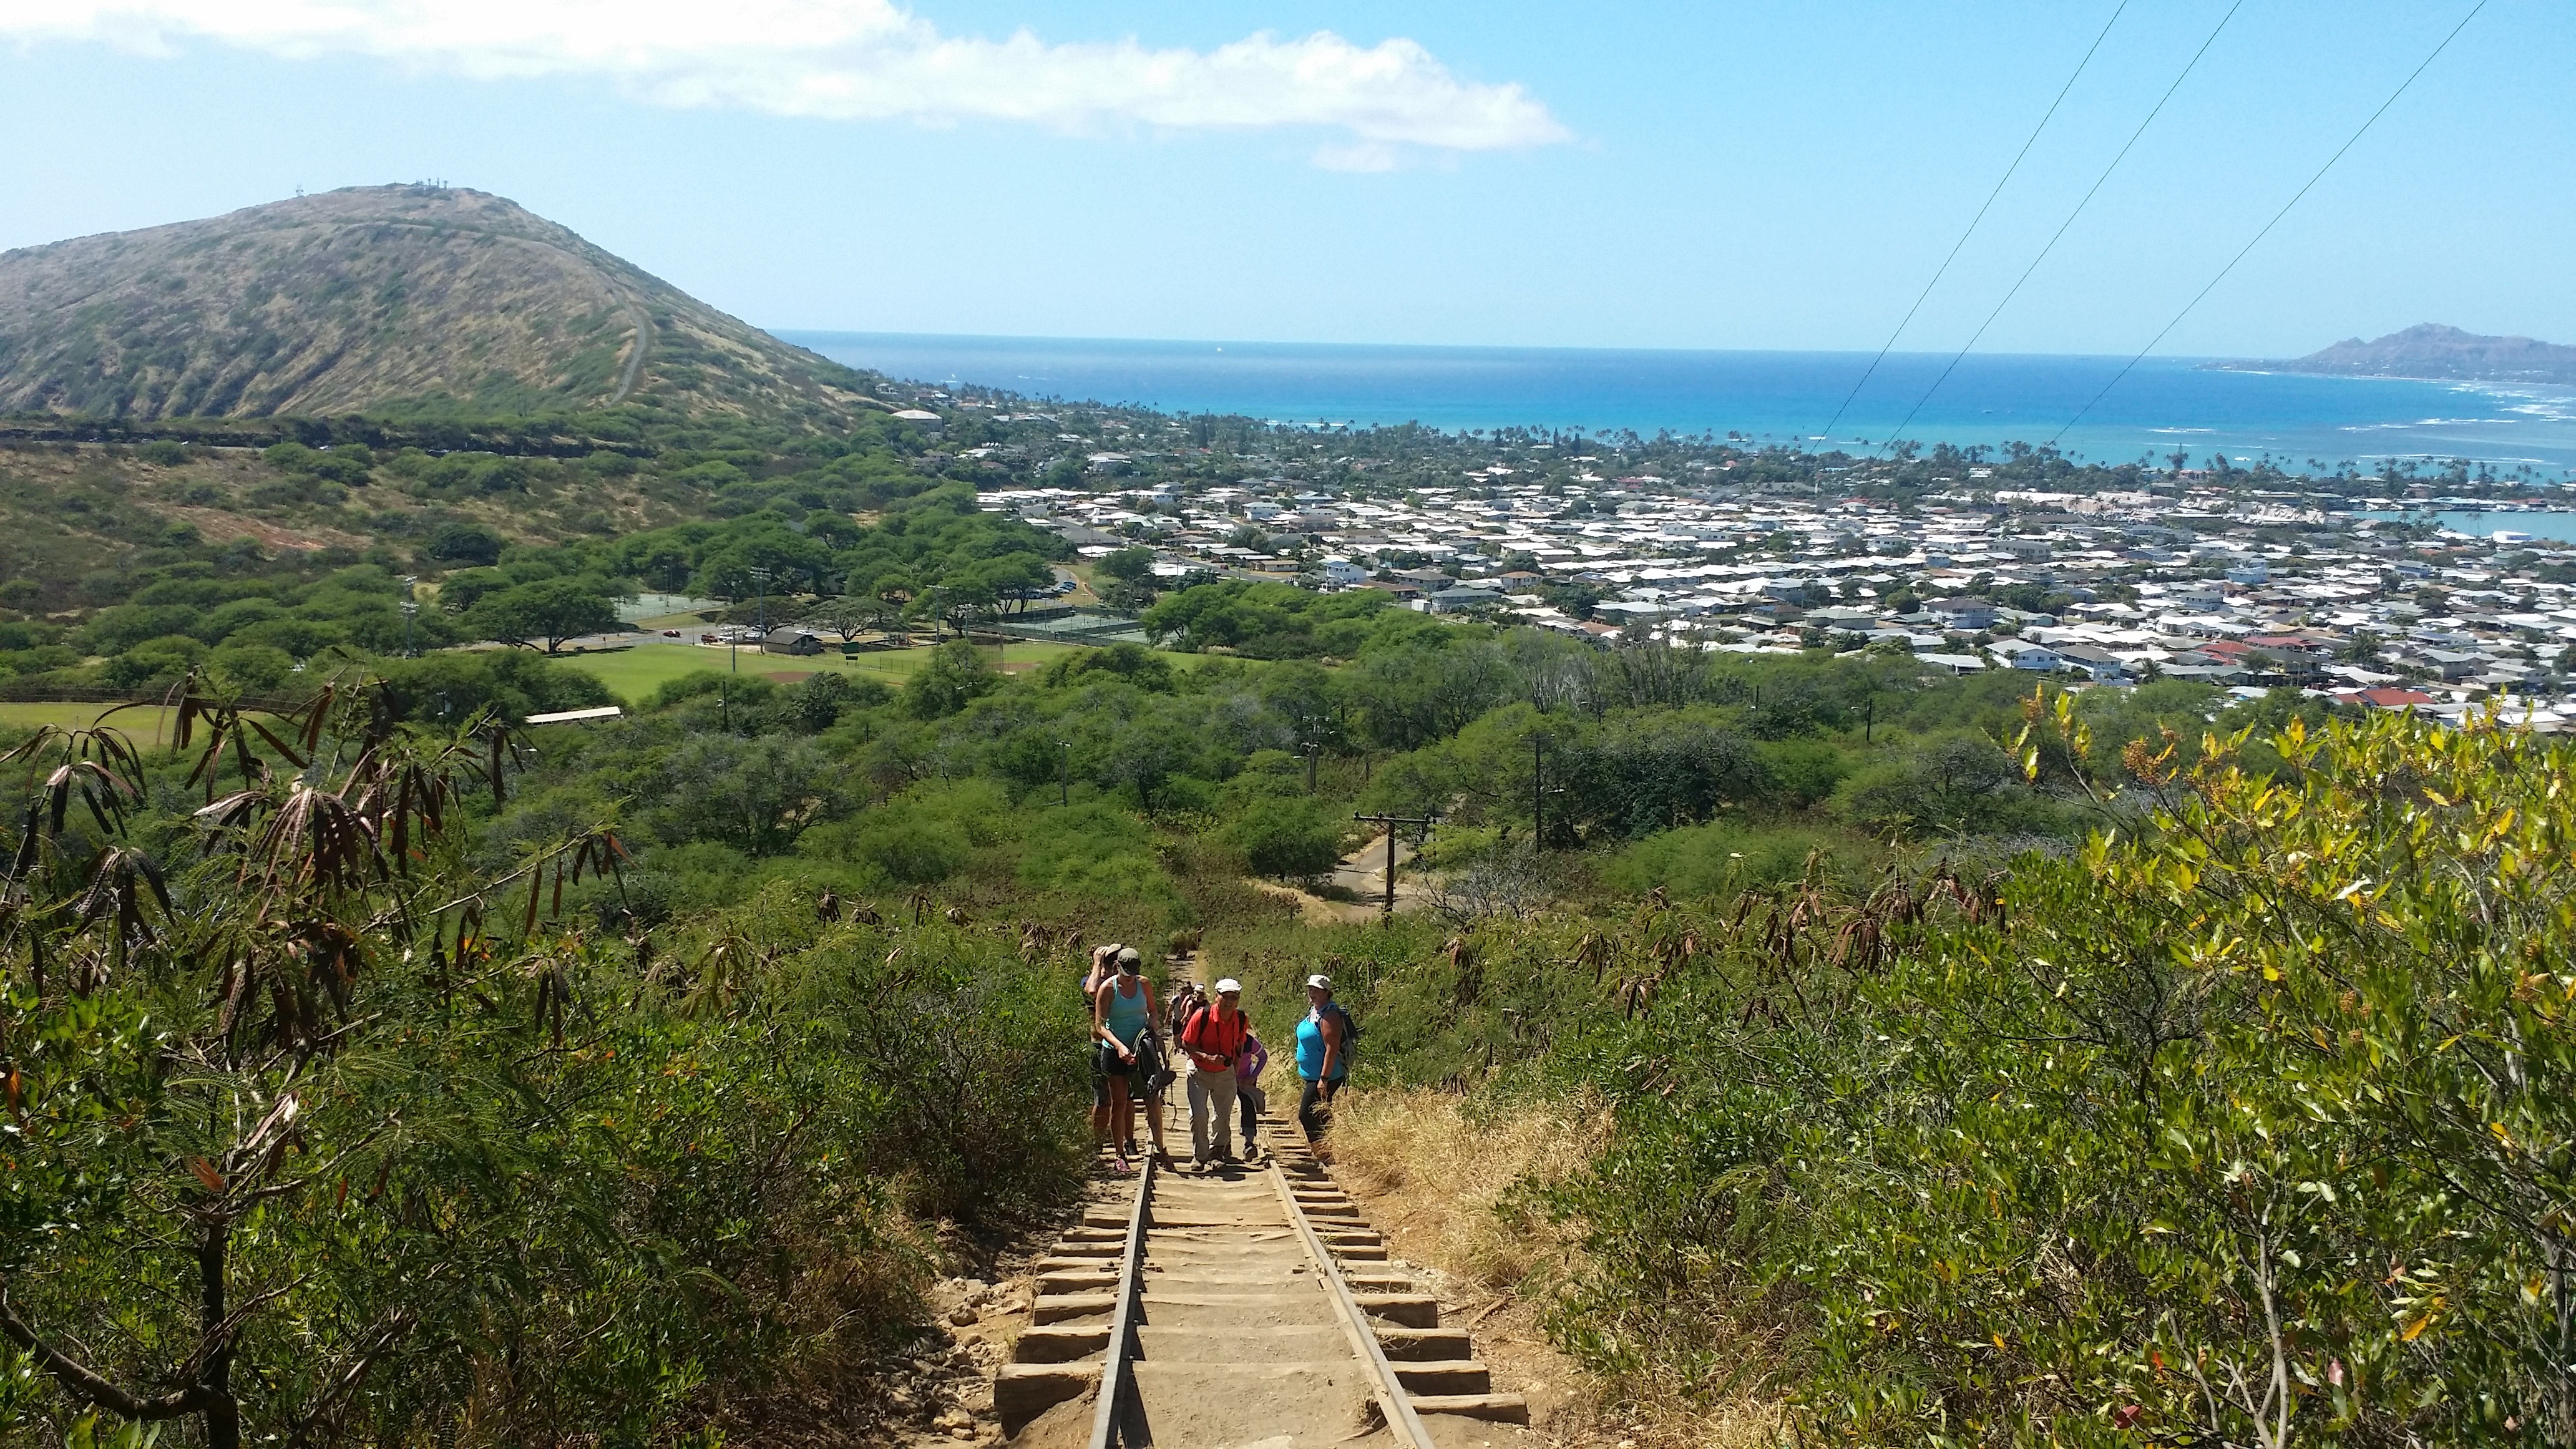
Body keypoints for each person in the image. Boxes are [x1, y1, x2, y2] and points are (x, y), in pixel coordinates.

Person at [1091, 947, 1161, 1174]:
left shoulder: (1144, 984)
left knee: (1151, 1097)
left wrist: (1154, 1023)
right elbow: (1100, 1025)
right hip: (1115, 1050)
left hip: (1141, 1049)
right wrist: (1120, 1046)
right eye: (1126, 971)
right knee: (1119, 1102)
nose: (1130, 976)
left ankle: (1160, 1148)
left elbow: (1153, 1010)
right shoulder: (1108, 988)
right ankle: (1120, 1155)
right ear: (1118, 967)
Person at [1181, 978, 1251, 1169]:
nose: (1229, 1002)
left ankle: (1218, 1151)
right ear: (1217, 996)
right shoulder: (1201, 1016)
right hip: (1199, 1071)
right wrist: (1206, 1057)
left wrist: (1235, 1069)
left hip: (1225, 1073)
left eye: (1234, 998)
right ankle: (1200, 1155)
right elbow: (1186, 1043)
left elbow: (1240, 1044)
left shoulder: (1241, 1018)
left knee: (1222, 1116)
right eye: (1225, 997)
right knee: (1199, 1114)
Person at [1295, 973, 1352, 1148]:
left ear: (1327, 992)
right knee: (1321, 1113)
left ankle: (1322, 1150)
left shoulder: (1330, 1015)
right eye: (1311, 989)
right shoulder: (1315, 1010)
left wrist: (1324, 1079)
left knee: (1306, 1114)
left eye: (1317, 990)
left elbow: (1332, 1048)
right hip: (1314, 1075)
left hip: (1325, 1075)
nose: (1312, 993)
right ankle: (1328, 1151)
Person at [1236, 1029, 1269, 1164]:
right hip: (1224, 1078)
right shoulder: (1221, 1037)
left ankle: (1249, 1143)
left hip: (1245, 1079)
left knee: (1248, 1105)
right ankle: (1222, 1145)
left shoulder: (1249, 1041)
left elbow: (1263, 1057)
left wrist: (1253, 1076)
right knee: (1222, 1109)